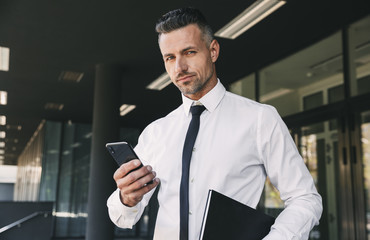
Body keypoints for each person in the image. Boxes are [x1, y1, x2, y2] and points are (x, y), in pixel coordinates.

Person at [107, 7, 322, 240]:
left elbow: (305, 198)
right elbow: (122, 218)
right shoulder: (156, 132)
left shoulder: (260, 119)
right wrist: (127, 199)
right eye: (170, 57)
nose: (179, 67)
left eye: (189, 52)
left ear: (213, 50)